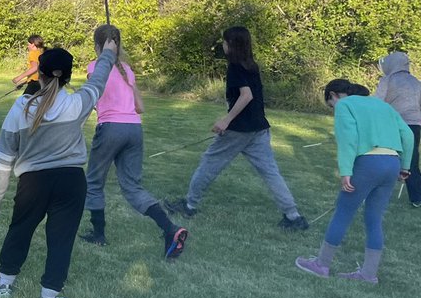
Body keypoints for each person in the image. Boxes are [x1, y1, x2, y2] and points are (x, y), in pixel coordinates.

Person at [0, 38, 118, 298]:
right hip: (71, 182)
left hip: (33, 183)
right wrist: (108, 53)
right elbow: (100, 80)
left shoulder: (21, 108)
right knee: (61, 239)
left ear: (39, 74)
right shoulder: (78, 103)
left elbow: (2, 161)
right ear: (68, 77)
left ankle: (5, 284)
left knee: (19, 230)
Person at [166, 26, 309, 231]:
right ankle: (293, 216)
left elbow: (246, 96)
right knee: (270, 172)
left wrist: (226, 120)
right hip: (259, 127)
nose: (222, 45)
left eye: (224, 42)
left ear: (231, 45)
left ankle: (189, 205)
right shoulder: (251, 65)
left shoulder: (235, 67)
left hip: (239, 130)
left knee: (209, 163)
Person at [79, 25, 188, 259]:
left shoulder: (96, 66)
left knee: (94, 182)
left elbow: (93, 94)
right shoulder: (127, 69)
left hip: (110, 128)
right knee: (132, 186)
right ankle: (170, 229)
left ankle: (98, 234)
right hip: (134, 128)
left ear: (98, 46)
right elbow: (140, 107)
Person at [295, 79, 413, 284]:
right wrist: (405, 167)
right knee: (374, 218)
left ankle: (321, 264)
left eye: (330, 104)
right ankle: (369, 273)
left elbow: (348, 139)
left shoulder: (344, 106)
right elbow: (408, 135)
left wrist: (346, 171)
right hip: (392, 162)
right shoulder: (382, 105)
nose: (333, 109)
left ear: (333, 96)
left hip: (368, 163)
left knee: (343, 210)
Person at [374, 51, 421, 207]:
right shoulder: (416, 82)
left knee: (383, 156)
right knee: (411, 160)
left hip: (393, 123)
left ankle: (373, 190)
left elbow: (377, 102)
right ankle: (417, 197)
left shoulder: (387, 80)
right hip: (414, 125)